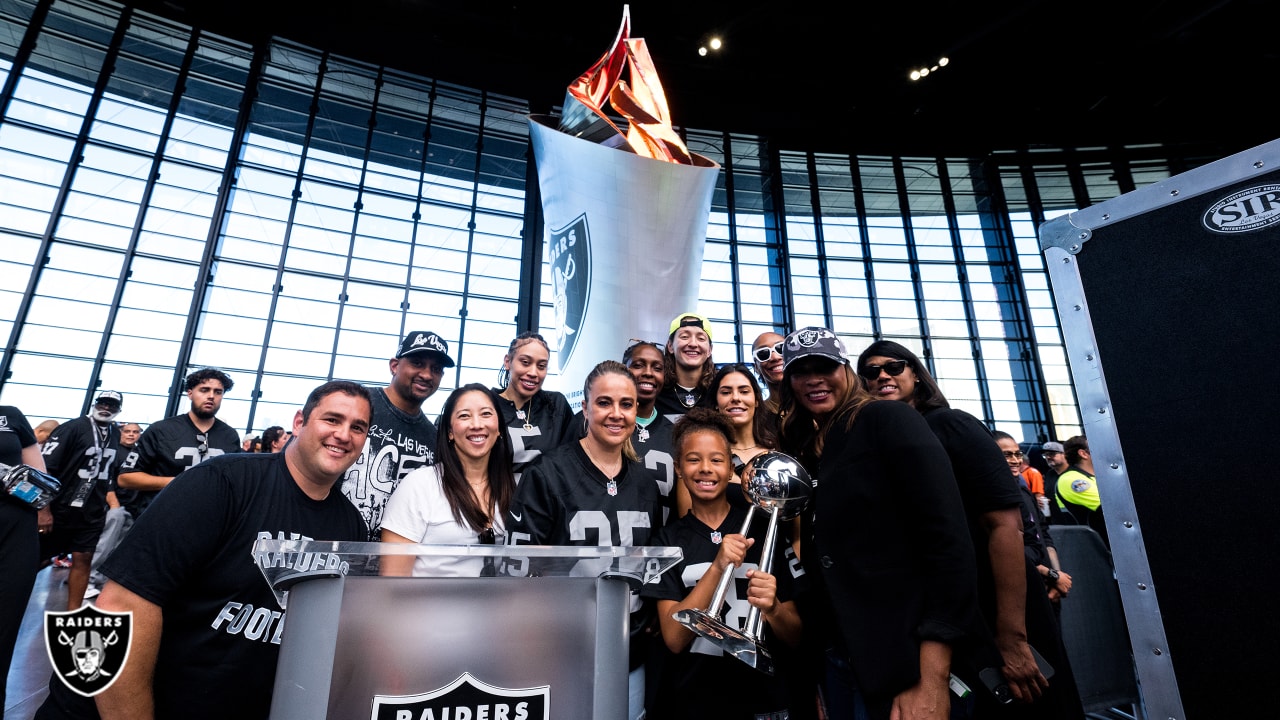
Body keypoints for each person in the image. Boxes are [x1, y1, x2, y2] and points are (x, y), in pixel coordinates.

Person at [34, 381, 372, 720]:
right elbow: (123, 609)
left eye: (357, 427)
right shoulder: (221, 482)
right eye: (332, 420)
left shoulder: (351, 526)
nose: (344, 434)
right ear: (300, 422)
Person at [778, 327, 979, 720]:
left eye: (826, 366)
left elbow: (949, 540)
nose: (814, 379)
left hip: (908, 662)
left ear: (847, 372)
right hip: (844, 658)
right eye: (801, 371)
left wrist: (932, 675)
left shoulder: (888, 419)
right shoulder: (813, 448)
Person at [508, 360, 660, 720]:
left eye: (627, 404)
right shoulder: (548, 473)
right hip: (562, 645)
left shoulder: (644, 482)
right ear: (586, 407)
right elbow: (519, 567)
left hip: (629, 647)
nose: (616, 414)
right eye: (604, 402)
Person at [643, 407, 801, 719]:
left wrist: (774, 609)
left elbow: (797, 637)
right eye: (693, 459)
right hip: (694, 701)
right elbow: (674, 640)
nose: (705, 469)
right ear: (678, 468)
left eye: (716, 460)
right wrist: (717, 567)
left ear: (731, 469)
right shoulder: (666, 541)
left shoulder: (765, 532)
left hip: (764, 700)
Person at [380, 384, 515, 577]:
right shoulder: (420, 485)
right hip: (427, 606)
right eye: (464, 416)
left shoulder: (513, 488)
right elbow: (392, 580)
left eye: (486, 414)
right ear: (450, 432)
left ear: (499, 428)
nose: (476, 424)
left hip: (493, 605)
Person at [341, 331, 453, 539]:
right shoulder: (359, 406)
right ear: (394, 366)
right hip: (333, 545)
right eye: (417, 363)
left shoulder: (434, 438)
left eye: (436, 369)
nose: (427, 375)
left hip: (394, 558)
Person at [39, 391, 125, 610]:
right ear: (95, 404)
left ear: (118, 409)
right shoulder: (72, 428)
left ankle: (73, 613)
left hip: (91, 510)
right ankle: (11, 602)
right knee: (38, 558)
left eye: (112, 405)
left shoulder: (115, 434)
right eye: (102, 403)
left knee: (84, 558)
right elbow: (47, 469)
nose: (106, 407)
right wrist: (43, 509)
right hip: (60, 507)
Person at [116, 368, 240, 516]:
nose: (211, 396)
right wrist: (180, 482)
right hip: (161, 517)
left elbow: (236, 480)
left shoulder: (229, 435)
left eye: (218, 392)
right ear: (190, 393)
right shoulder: (161, 430)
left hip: (208, 519)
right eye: (204, 390)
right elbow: (125, 478)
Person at [1, 404, 48, 716]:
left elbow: (43, 483)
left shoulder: (10, 415)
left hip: (14, 530)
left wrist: (13, 478)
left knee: (3, 626)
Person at [993, 433, 1073, 606]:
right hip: (1019, 588)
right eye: (1007, 455)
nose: (1015, 460)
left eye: (1018, 454)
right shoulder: (992, 497)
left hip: (1046, 585)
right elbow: (1007, 552)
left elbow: (1043, 533)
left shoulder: (1024, 489)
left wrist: (1055, 575)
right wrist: (1050, 574)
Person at [492, 331, 573, 480]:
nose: (533, 373)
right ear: (508, 362)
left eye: (541, 366)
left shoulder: (556, 405)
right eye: (525, 362)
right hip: (497, 501)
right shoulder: (487, 405)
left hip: (546, 502)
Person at [622, 340, 680, 525]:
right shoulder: (599, 426)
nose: (648, 373)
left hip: (661, 546)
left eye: (657, 368)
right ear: (624, 370)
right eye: (638, 365)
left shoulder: (675, 434)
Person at [85, 422, 143, 599]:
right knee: (105, 544)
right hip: (114, 506)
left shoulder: (139, 454)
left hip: (134, 508)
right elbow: (105, 479)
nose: (131, 435)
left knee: (119, 548)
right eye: (127, 431)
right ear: (121, 433)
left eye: (135, 432)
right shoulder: (114, 451)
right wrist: (114, 505)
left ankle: (102, 582)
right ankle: (88, 580)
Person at [655, 313, 716, 422]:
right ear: (670, 346)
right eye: (684, 337)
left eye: (701, 338)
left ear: (709, 350)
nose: (693, 344)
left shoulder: (719, 392)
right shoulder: (655, 392)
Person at [1055, 435, 1106, 545]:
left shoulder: (1097, 476)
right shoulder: (1071, 479)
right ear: (1083, 454)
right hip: (1095, 549)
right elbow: (1110, 508)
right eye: (1096, 447)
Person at [751, 330, 786, 415]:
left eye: (781, 348)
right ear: (756, 367)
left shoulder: (814, 405)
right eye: (763, 353)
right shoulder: (755, 415)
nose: (775, 357)